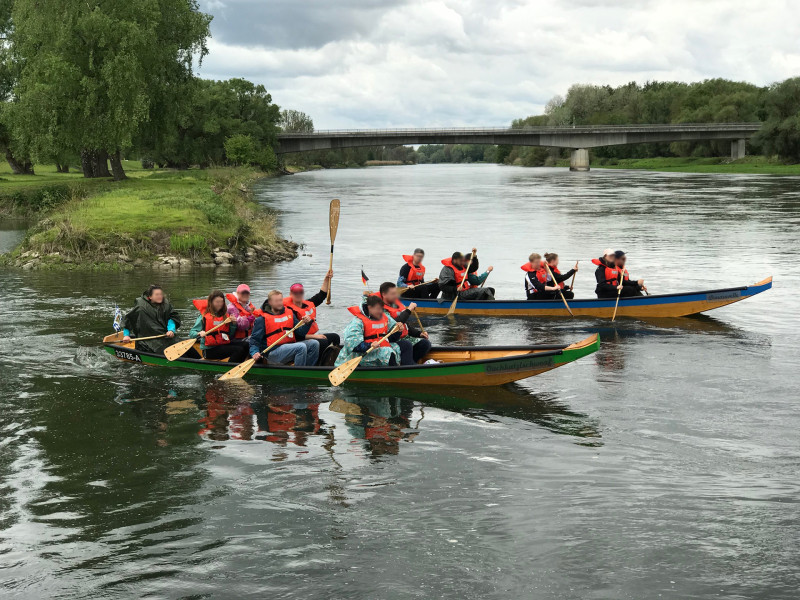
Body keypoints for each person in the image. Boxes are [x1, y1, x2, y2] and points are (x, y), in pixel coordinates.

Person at [283, 270, 340, 362]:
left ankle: (333, 360)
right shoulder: (289, 311)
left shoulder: (308, 304)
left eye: (300, 292)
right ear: (290, 294)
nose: (298, 294)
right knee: (323, 341)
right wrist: (315, 336)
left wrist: (326, 278)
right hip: (298, 340)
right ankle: (319, 365)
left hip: (309, 337)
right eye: (295, 292)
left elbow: (322, 295)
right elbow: (297, 335)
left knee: (335, 337)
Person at [249, 290, 319, 366]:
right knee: (301, 347)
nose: (279, 303)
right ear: (270, 302)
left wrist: (307, 324)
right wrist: (254, 352)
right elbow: (254, 340)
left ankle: (308, 370)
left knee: (314, 344)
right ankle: (299, 373)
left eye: (280, 300)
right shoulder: (262, 319)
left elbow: (300, 333)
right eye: (276, 301)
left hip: (290, 347)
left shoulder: (289, 313)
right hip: (272, 352)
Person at [368, 282, 432, 365]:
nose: (396, 296)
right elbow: (396, 323)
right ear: (384, 294)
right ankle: (409, 366)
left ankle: (411, 364)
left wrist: (419, 333)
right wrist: (408, 310)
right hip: (389, 339)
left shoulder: (395, 304)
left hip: (402, 337)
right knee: (406, 345)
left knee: (425, 343)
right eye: (393, 294)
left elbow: (405, 325)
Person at [334, 295, 404, 367]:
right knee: (387, 352)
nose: (381, 312)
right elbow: (352, 345)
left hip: (380, 347)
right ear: (369, 308)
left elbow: (392, 338)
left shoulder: (385, 317)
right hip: (360, 354)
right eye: (378, 309)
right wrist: (369, 345)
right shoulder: (357, 322)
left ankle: (405, 369)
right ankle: (394, 374)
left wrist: (398, 330)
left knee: (405, 345)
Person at [189, 290, 249, 362]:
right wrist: (199, 333)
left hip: (222, 344)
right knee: (239, 350)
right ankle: (231, 368)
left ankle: (238, 364)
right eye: (217, 302)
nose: (219, 304)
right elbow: (191, 333)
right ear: (211, 302)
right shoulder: (204, 317)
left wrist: (233, 324)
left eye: (221, 302)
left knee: (246, 345)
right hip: (209, 350)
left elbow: (230, 335)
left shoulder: (225, 316)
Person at [122, 284, 181, 354]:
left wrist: (171, 330)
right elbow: (129, 320)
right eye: (157, 295)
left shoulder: (166, 305)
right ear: (150, 296)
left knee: (185, 348)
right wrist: (126, 335)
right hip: (147, 340)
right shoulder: (141, 307)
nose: (160, 296)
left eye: (161, 294)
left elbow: (172, 318)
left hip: (164, 336)